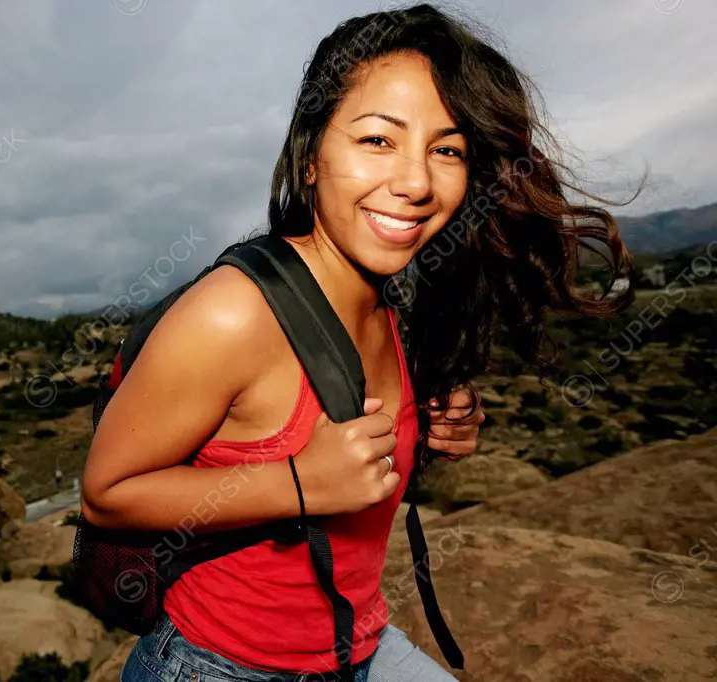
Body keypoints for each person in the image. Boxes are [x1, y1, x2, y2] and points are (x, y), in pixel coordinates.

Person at [80, 4, 633, 681]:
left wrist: (431, 423)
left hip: (358, 647)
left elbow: (341, 437)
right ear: (311, 158)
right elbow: (106, 494)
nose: (416, 182)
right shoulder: (234, 315)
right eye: (378, 139)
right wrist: (298, 483)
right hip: (219, 665)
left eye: (448, 149)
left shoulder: (394, 296)